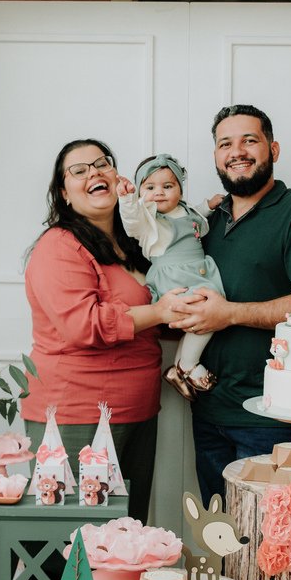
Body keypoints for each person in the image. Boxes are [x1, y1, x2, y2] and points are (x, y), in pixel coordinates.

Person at [170, 104, 291, 503]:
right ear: (215, 156)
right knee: (223, 538)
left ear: (273, 149)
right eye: (225, 143)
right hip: (209, 412)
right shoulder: (205, 222)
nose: (237, 151)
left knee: (270, 548)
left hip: (273, 417)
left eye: (250, 140)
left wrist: (229, 314)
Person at [23, 139, 185, 521]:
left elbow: (153, 322)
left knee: (127, 539)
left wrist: (187, 310)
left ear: (116, 176)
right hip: (76, 414)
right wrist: (159, 308)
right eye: (79, 170)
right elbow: (85, 325)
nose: (94, 172)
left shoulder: (137, 244)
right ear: (64, 193)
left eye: (102, 164)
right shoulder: (58, 246)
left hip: (139, 410)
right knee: (75, 543)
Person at [117, 154, 226, 400]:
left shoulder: (184, 210)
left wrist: (207, 206)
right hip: (173, 276)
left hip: (196, 272)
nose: (159, 193)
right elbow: (132, 223)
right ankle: (188, 364)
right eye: (150, 187)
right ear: (140, 192)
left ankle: (178, 369)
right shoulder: (147, 220)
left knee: (201, 316)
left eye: (168, 186)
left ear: (179, 188)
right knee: (205, 314)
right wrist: (126, 199)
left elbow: (193, 218)